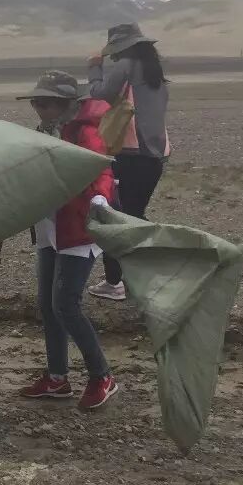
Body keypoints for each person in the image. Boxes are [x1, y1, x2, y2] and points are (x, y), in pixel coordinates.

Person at [15, 71, 119, 411]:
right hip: (50, 228)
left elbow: (101, 168)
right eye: (35, 102)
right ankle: (57, 378)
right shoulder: (44, 131)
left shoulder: (85, 132)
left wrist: (100, 196)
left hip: (77, 229)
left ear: (64, 104)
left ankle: (102, 376)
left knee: (65, 304)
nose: (37, 108)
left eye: (43, 103)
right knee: (48, 305)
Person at [86, 23, 171, 302]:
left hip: (130, 155)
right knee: (133, 214)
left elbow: (98, 92)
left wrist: (94, 67)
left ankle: (116, 282)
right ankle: (145, 273)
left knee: (114, 218)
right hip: (155, 156)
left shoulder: (126, 66)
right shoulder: (154, 71)